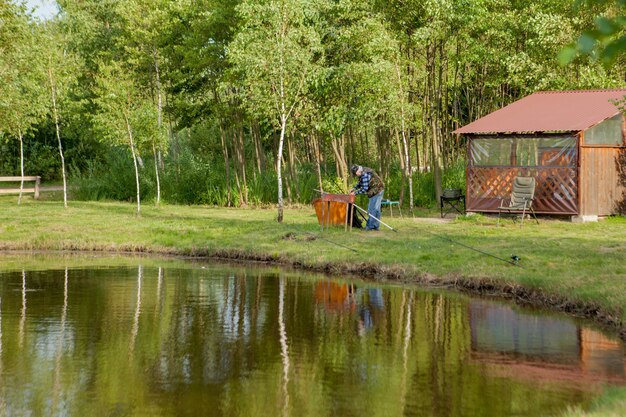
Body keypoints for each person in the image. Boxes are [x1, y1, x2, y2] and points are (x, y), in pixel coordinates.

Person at [349, 164, 384, 231]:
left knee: (372, 209)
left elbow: (364, 188)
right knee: (376, 210)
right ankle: (376, 226)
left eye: (355, 174)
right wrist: (354, 188)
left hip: (376, 191)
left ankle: (369, 227)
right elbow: (360, 183)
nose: (356, 175)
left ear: (357, 171)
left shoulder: (365, 174)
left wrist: (355, 193)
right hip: (379, 189)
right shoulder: (363, 171)